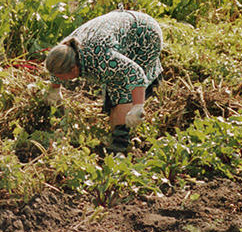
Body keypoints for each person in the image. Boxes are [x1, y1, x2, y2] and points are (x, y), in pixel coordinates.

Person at [43, 9, 163, 154]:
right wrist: (55, 89)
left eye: (61, 77)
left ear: (74, 69)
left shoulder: (103, 59)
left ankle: (120, 145)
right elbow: (57, 72)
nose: (59, 79)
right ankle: (116, 132)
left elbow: (134, 73)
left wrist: (137, 106)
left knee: (121, 87)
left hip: (144, 34)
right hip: (121, 29)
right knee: (113, 85)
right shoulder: (66, 50)